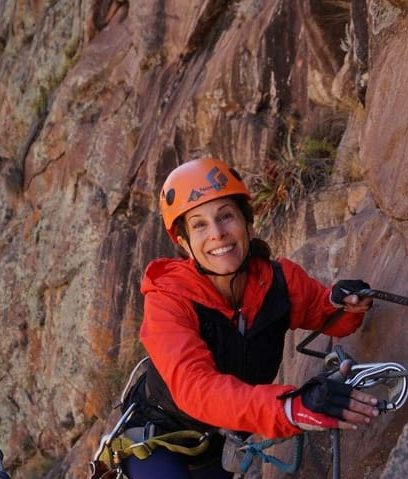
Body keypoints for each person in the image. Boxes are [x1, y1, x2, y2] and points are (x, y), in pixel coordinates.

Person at [120, 158, 378, 478]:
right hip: (160, 442)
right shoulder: (169, 301)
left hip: (224, 444)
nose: (217, 234)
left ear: (246, 222)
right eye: (199, 224)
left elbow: (326, 316)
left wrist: (347, 303)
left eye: (226, 216)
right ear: (184, 243)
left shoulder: (279, 282)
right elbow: (195, 387)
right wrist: (288, 407)